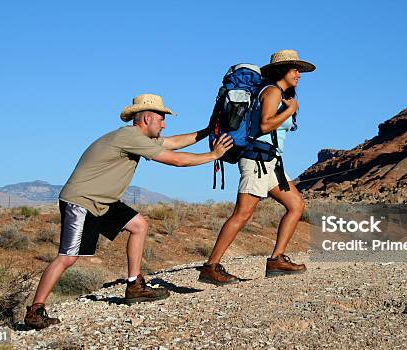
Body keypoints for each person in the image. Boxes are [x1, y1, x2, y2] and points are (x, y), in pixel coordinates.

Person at [25, 93, 233, 329]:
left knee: (139, 225)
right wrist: (213, 155)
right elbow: (176, 160)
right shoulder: (130, 137)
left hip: (103, 200)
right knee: (68, 257)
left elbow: (174, 142)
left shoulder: (136, 137)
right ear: (146, 118)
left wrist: (207, 131)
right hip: (82, 200)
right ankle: (35, 310)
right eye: (161, 119)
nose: (164, 125)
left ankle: (134, 286)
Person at [199, 50, 316, 285]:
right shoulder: (272, 92)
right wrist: (290, 111)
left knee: (296, 204)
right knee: (242, 214)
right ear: (283, 70)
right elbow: (264, 125)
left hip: (270, 162)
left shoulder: (280, 93)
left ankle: (276, 260)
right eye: (295, 69)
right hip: (257, 161)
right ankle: (210, 266)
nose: (298, 75)